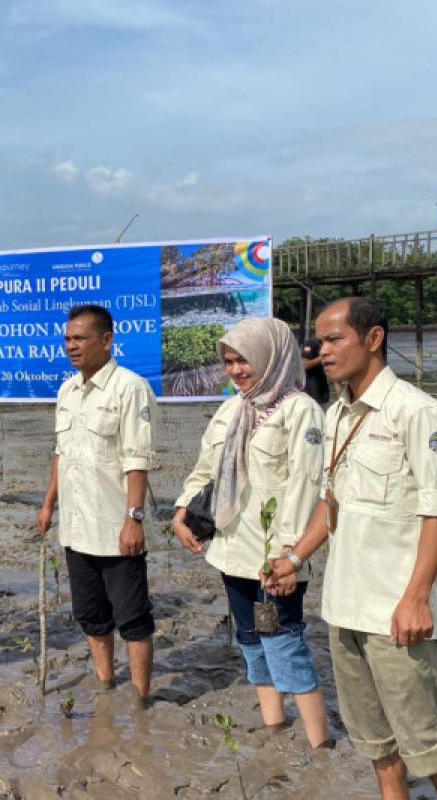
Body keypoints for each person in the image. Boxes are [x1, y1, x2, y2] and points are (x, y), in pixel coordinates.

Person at [265, 298, 437, 800]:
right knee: (376, 746)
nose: (321, 350)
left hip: (395, 614)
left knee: (431, 747)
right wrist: (294, 558)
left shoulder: (419, 413)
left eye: (335, 339)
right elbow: (333, 502)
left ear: (374, 339)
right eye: (318, 341)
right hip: (345, 610)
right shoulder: (336, 415)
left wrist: (417, 596)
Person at [172, 317, 329, 746]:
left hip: (274, 556)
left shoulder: (301, 411)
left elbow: (305, 488)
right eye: (229, 361)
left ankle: (319, 744)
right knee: (250, 641)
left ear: (272, 356)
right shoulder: (232, 409)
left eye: (245, 360)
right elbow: (206, 470)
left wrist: (289, 556)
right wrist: (182, 511)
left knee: (285, 640)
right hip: (230, 550)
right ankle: (274, 724)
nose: (237, 370)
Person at [35, 304, 156, 702]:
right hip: (76, 527)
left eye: (80, 338)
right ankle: (106, 685)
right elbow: (60, 453)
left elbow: (137, 460)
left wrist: (133, 518)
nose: (71, 346)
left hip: (115, 525)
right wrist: (49, 503)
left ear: (106, 340)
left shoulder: (129, 387)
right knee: (90, 614)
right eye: (67, 338)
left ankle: (140, 699)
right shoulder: (67, 390)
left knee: (133, 618)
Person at [300, 335, 330, 406]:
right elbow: (305, 364)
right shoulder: (311, 344)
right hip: (311, 392)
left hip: (322, 391)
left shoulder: (325, 345)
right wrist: (322, 358)